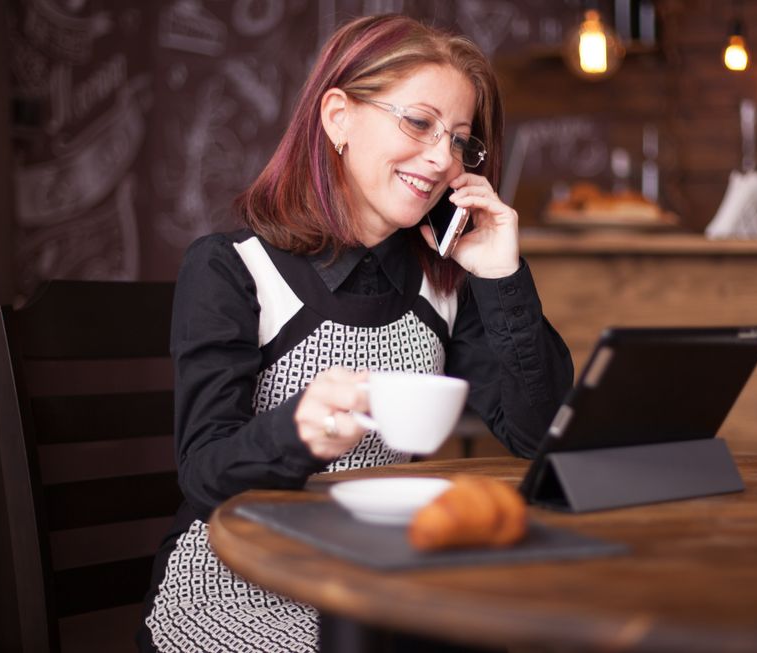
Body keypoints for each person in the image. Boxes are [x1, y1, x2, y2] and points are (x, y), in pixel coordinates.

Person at [139, 13, 574, 653]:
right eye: (419, 123)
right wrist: (297, 432)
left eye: (460, 141)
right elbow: (203, 474)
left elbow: (536, 433)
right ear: (338, 116)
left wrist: (502, 274)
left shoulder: (447, 283)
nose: (439, 159)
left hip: (382, 580)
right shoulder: (234, 269)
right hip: (239, 581)